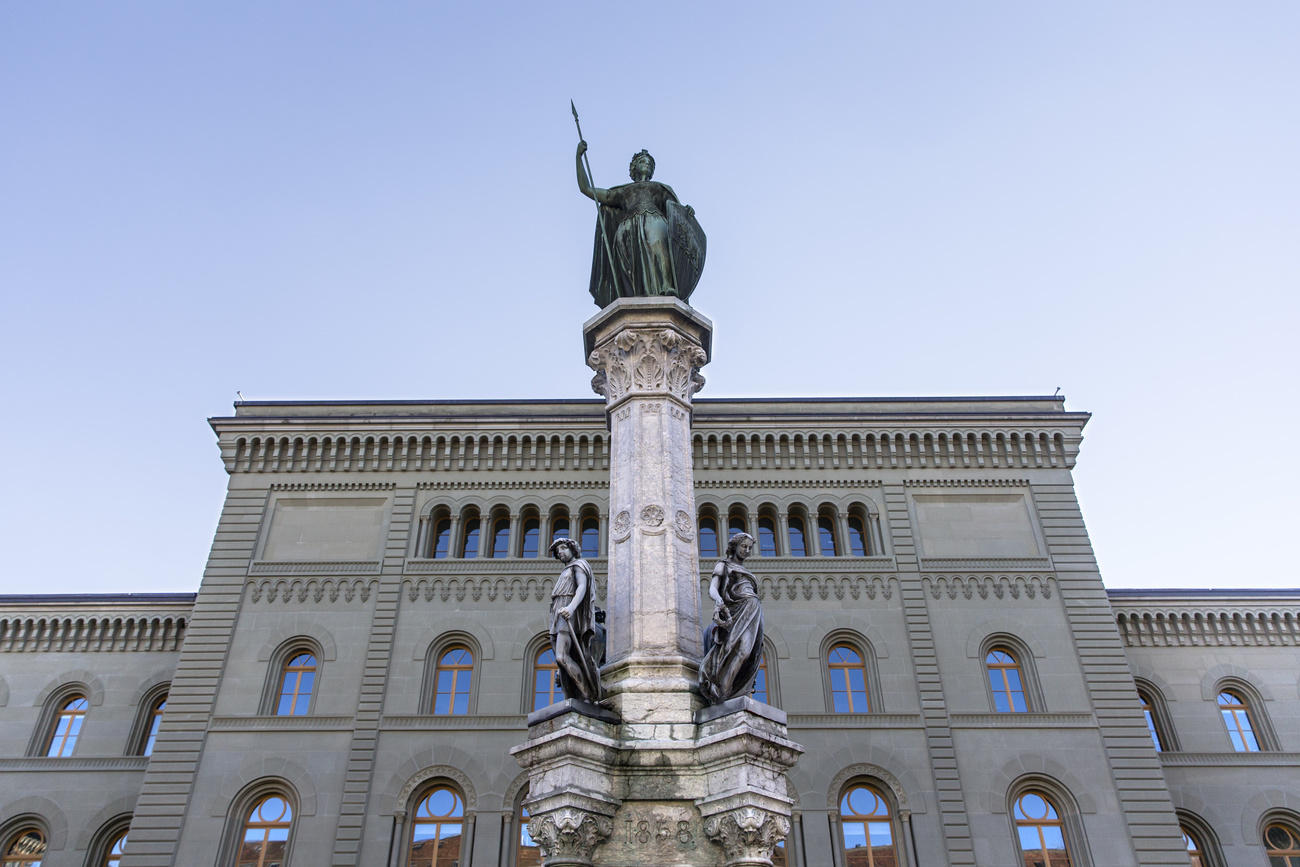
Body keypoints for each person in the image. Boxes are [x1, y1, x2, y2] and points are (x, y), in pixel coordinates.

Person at [576, 141, 705, 307]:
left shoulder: (659, 188)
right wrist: (579, 157)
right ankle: (630, 299)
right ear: (634, 167)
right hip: (627, 229)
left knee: (659, 251)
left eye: (650, 163)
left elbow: (678, 218)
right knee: (629, 269)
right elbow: (587, 189)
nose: (647, 165)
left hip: (654, 222)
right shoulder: (622, 192)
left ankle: (667, 287)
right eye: (643, 161)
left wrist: (687, 211)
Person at [699, 532, 764, 706]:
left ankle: (730, 692)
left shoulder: (747, 572)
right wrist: (718, 600)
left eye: (749, 547)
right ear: (734, 546)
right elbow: (713, 588)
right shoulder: (724, 565)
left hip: (753, 611)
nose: (747, 550)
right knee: (736, 650)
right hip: (736, 612)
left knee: (750, 652)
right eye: (744, 546)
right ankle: (722, 693)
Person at [547, 537, 602, 704]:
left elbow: (582, 587)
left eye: (563, 548)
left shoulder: (579, 565)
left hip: (567, 612)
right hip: (557, 612)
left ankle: (587, 693)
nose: (561, 553)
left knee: (561, 657)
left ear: (572, 549)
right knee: (563, 656)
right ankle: (579, 694)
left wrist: (571, 608)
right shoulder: (566, 570)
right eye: (558, 552)